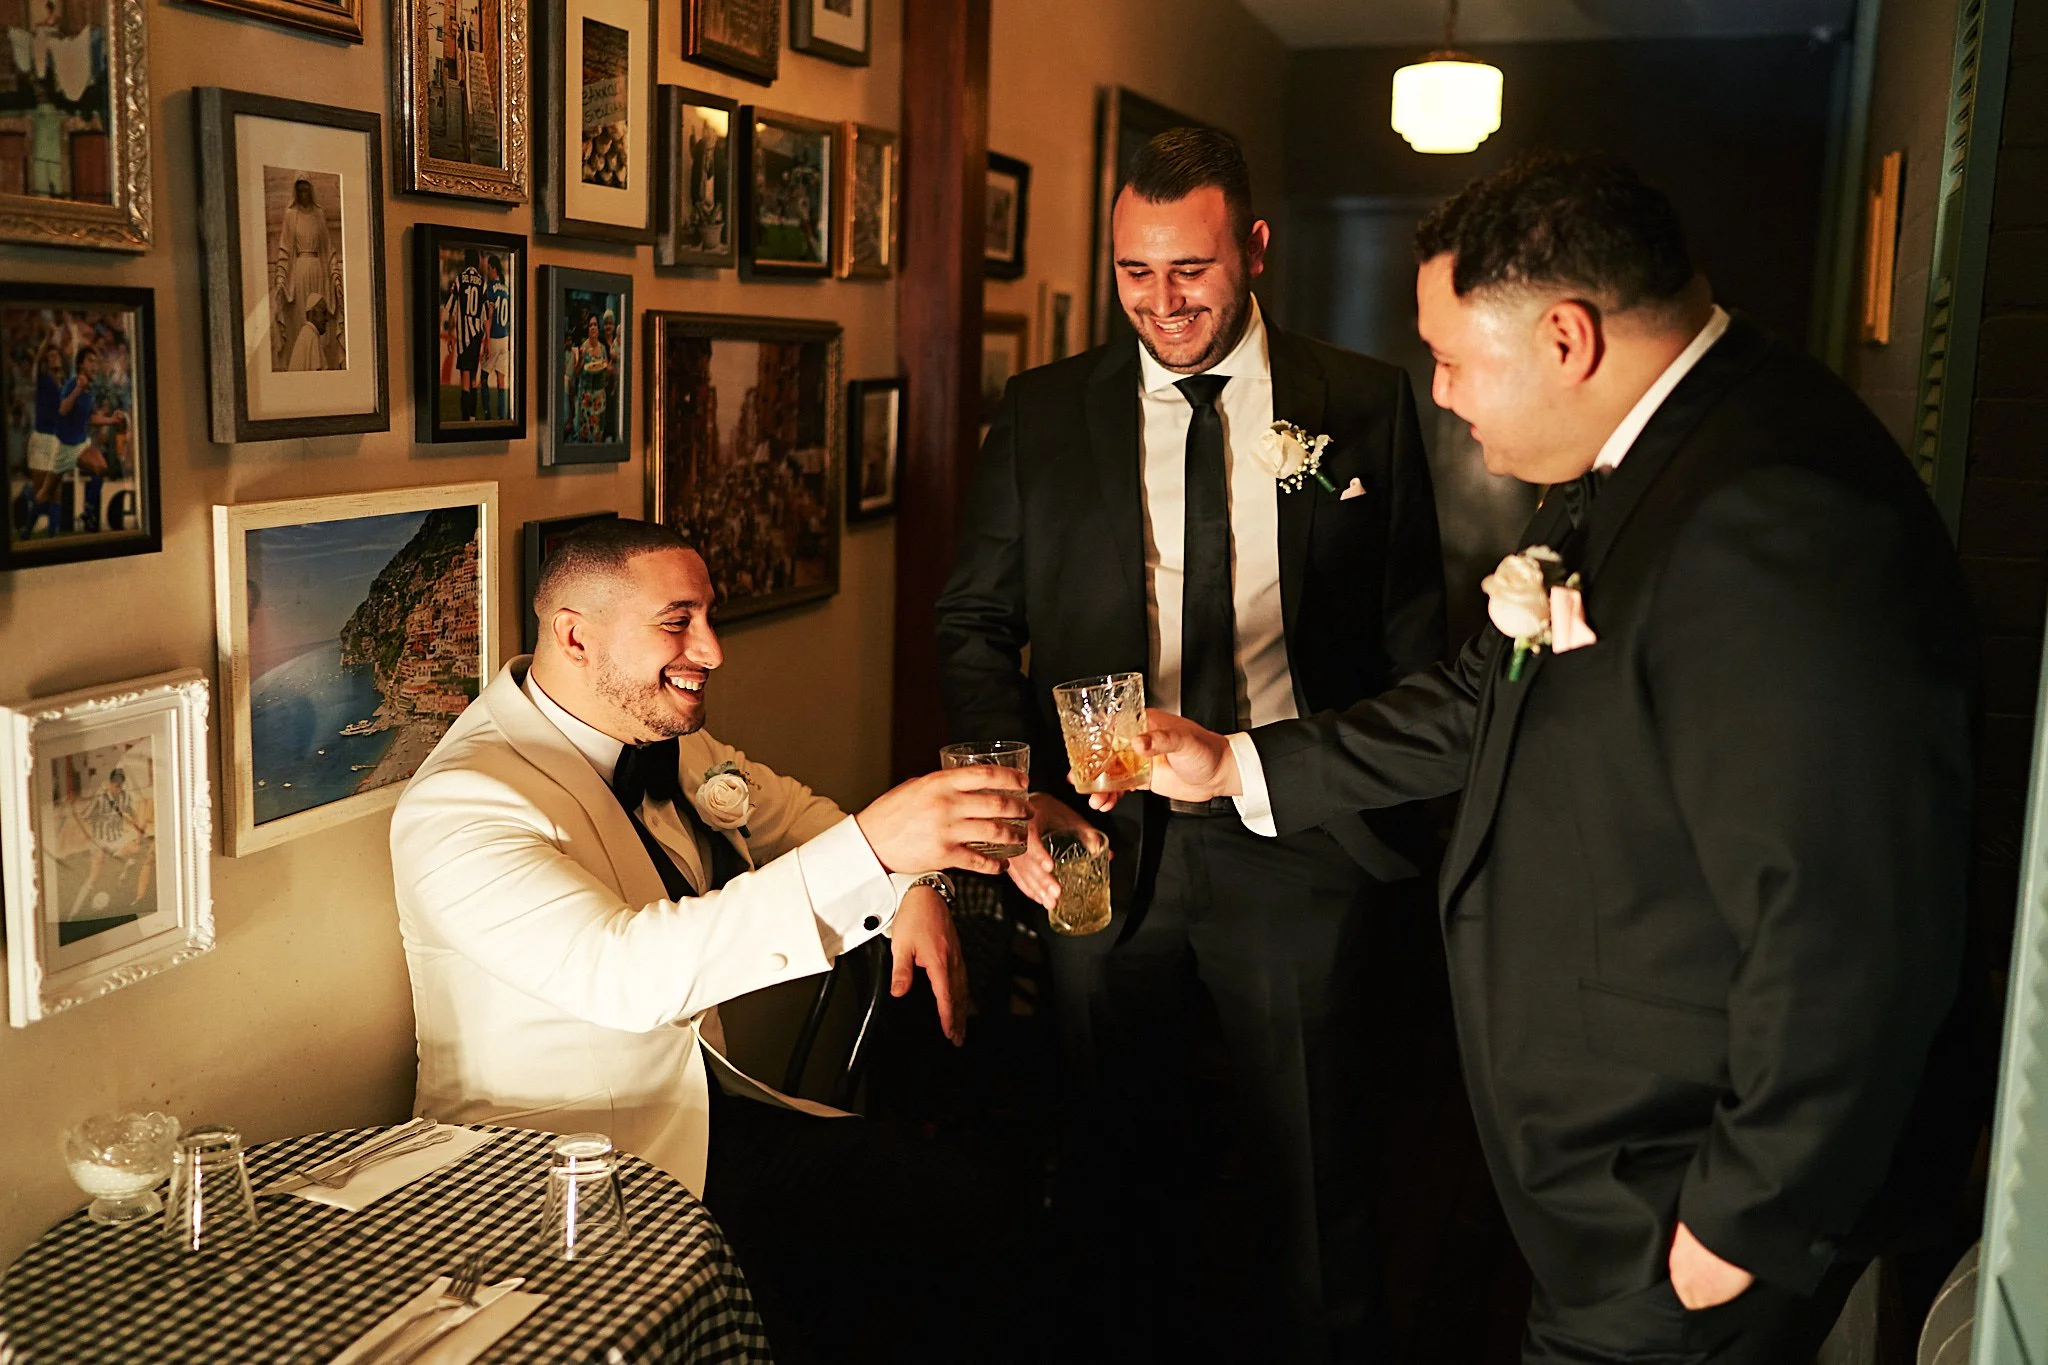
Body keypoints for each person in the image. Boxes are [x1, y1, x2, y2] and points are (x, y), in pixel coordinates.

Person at [1122, 150, 1981, 1364]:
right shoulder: (1652, 449)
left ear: (1567, 340)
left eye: (1457, 360)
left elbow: (1848, 906)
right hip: (1604, 1180)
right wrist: (1237, 769)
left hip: (1679, 1201)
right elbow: (1481, 696)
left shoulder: (1771, 512)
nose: (1441, 393)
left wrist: (1744, 1212)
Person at [935, 126, 1447, 1362]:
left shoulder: (1360, 406)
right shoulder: (1047, 413)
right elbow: (972, 625)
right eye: (1133, 273)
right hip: (1092, 839)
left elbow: (1411, 638)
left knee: (1315, 1167)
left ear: (1253, 250)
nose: (1162, 303)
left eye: (1192, 271)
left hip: (1295, 827)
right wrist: (1012, 803)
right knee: (1104, 1149)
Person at [389, 518, 1031, 1363]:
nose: (714, 650)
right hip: (561, 1173)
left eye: (708, 616)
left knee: (977, 1213)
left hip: (705, 1120)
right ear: (576, 634)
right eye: (678, 620)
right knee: (935, 1236)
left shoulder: (668, 737)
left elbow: (796, 816)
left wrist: (913, 884)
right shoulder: (462, 803)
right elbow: (627, 971)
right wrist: (875, 848)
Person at [274, 177, 337, 373]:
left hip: (318, 270)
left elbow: (328, 248)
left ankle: (320, 362)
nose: (303, 195)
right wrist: (281, 278)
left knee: (321, 314)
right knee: (304, 318)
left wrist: (334, 275)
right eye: (299, 191)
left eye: (306, 191)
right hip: (300, 271)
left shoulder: (318, 214)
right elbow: (284, 250)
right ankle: (304, 362)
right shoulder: (291, 215)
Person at [446, 247, 487, 421]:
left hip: (464, 336)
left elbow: (453, 309)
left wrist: (450, 334)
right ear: (477, 262)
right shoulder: (482, 282)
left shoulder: (460, 279)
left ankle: (465, 420)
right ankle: (472, 416)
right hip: (477, 334)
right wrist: (486, 338)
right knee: (474, 377)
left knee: (465, 379)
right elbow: (485, 314)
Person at [480, 252, 511, 421]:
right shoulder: (507, 289)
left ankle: (487, 415)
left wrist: (486, 339)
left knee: (483, 378)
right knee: (501, 381)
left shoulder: (490, 288)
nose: (488, 272)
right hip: (505, 339)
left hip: (494, 338)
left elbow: (489, 315)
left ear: (493, 269)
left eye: (488, 269)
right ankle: (501, 417)